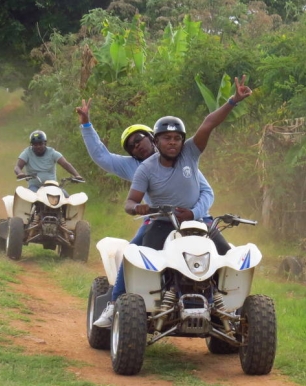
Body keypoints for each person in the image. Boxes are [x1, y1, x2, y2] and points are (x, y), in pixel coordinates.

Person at [75, 99, 215, 328]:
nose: (136, 146)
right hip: (158, 219)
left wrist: (193, 212)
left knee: (224, 256)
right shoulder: (135, 167)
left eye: (139, 139)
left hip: (197, 219)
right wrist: (86, 125)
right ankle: (114, 304)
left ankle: (230, 309)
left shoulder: (183, 158)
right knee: (133, 254)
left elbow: (207, 192)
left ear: (153, 137)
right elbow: (101, 156)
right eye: (131, 146)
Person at [126, 75, 252, 253]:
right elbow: (130, 202)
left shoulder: (190, 152)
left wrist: (233, 101)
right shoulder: (145, 169)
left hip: (198, 223)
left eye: (177, 138)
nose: (172, 142)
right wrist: (137, 207)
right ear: (155, 141)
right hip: (162, 225)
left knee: (227, 258)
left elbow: (208, 124)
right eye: (167, 138)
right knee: (146, 262)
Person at [14, 130, 83, 192]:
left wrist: (77, 175)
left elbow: (65, 164)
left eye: (40, 143)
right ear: (31, 145)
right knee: (29, 198)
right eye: (35, 144)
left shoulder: (52, 153)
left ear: (45, 143)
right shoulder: (27, 153)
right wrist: (20, 173)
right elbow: (17, 166)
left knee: (65, 197)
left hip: (52, 187)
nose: (38, 146)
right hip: (35, 187)